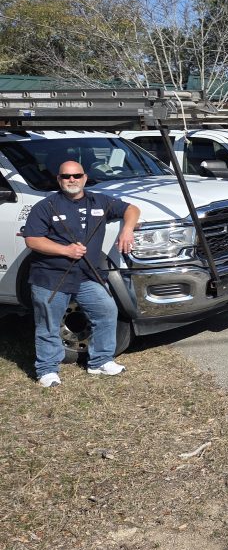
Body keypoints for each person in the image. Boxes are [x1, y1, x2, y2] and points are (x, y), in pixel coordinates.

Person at [23, 161, 140, 387]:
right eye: (66, 176)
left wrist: (127, 229)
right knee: (49, 323)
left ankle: (100, 361)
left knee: (106, 310)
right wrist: (65, 250)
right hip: (51, 277)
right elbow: (32, 239)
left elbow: (131, 209)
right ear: (59, 180)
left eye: (76, 175)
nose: (72, 180)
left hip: (87, 275)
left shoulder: (100, 201)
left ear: (85, 178)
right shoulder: (46, 206)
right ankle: (47, 370)